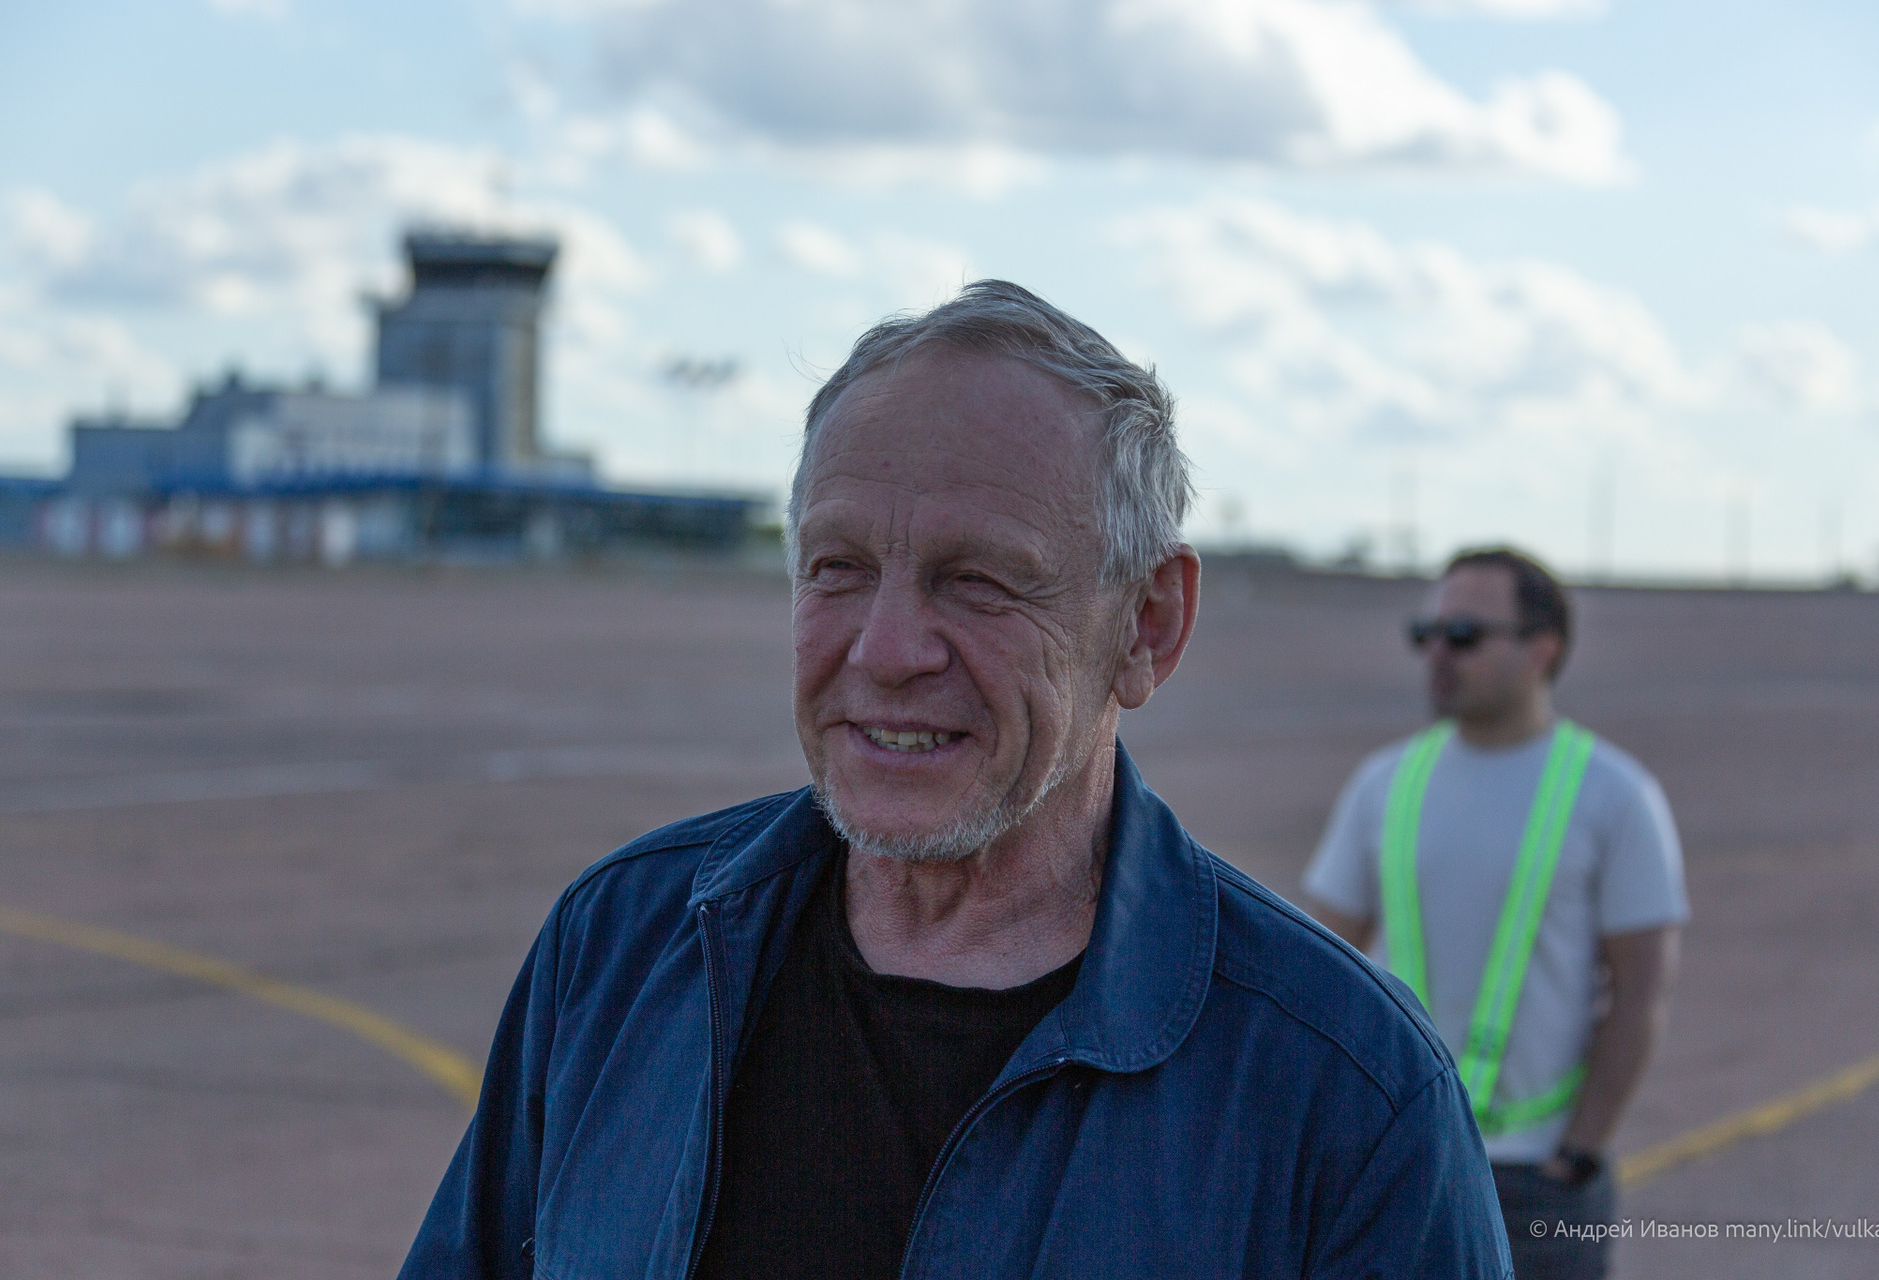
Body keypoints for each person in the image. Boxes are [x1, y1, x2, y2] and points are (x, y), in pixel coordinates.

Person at [400, 282, 1511, 1280]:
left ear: (1148, 625)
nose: (885, 651)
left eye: (978, 581)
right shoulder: (619, 948)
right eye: (837, 568)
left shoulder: (1347, 1092)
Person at [1303, 548, 1687, 1280]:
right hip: (1392, 1162)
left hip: (1535, 1177)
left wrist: (1577, 1151)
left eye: (1464, 635)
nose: (1438, 654)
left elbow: (1643, 993)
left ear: (1543, 649)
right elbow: (1317, 969)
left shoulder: (1615, 794)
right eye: (1426, 634)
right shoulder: (1385, 784)